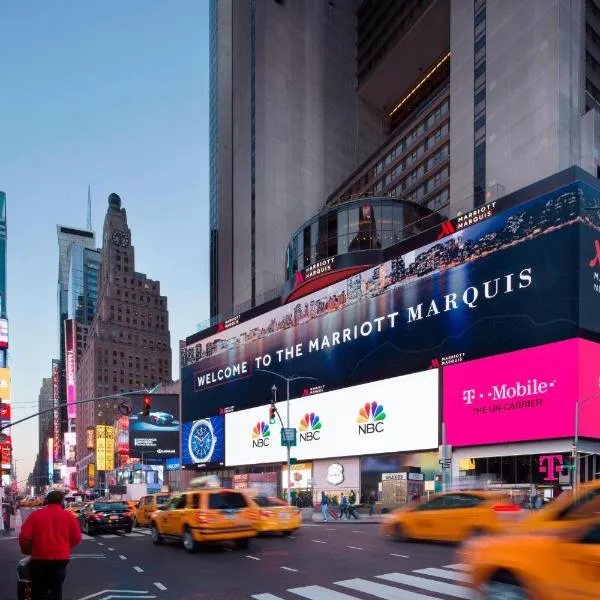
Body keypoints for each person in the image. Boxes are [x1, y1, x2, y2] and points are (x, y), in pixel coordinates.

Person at [19, 490, 82, 600]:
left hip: (39, 559)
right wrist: (64, 546)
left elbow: (24, 536)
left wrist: (27, 550)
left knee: (37, 590)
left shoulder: (35, 515)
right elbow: (77, 538)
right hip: (60, 560)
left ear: (47, 501)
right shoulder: (69, 516)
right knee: (56, 589)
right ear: (62, 502)